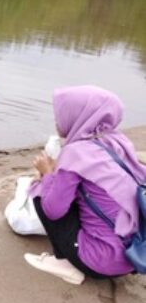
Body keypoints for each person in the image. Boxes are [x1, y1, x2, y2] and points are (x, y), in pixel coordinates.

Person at [25, 86, 145, 284]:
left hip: (99, 262)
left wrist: (47, 174)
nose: (57, 121)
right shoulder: (117, 141)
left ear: (79, 115)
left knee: (40, 191)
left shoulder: (76, 152)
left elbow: (53, 210)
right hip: (135, 254)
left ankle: (63, 262)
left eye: (61, 114)